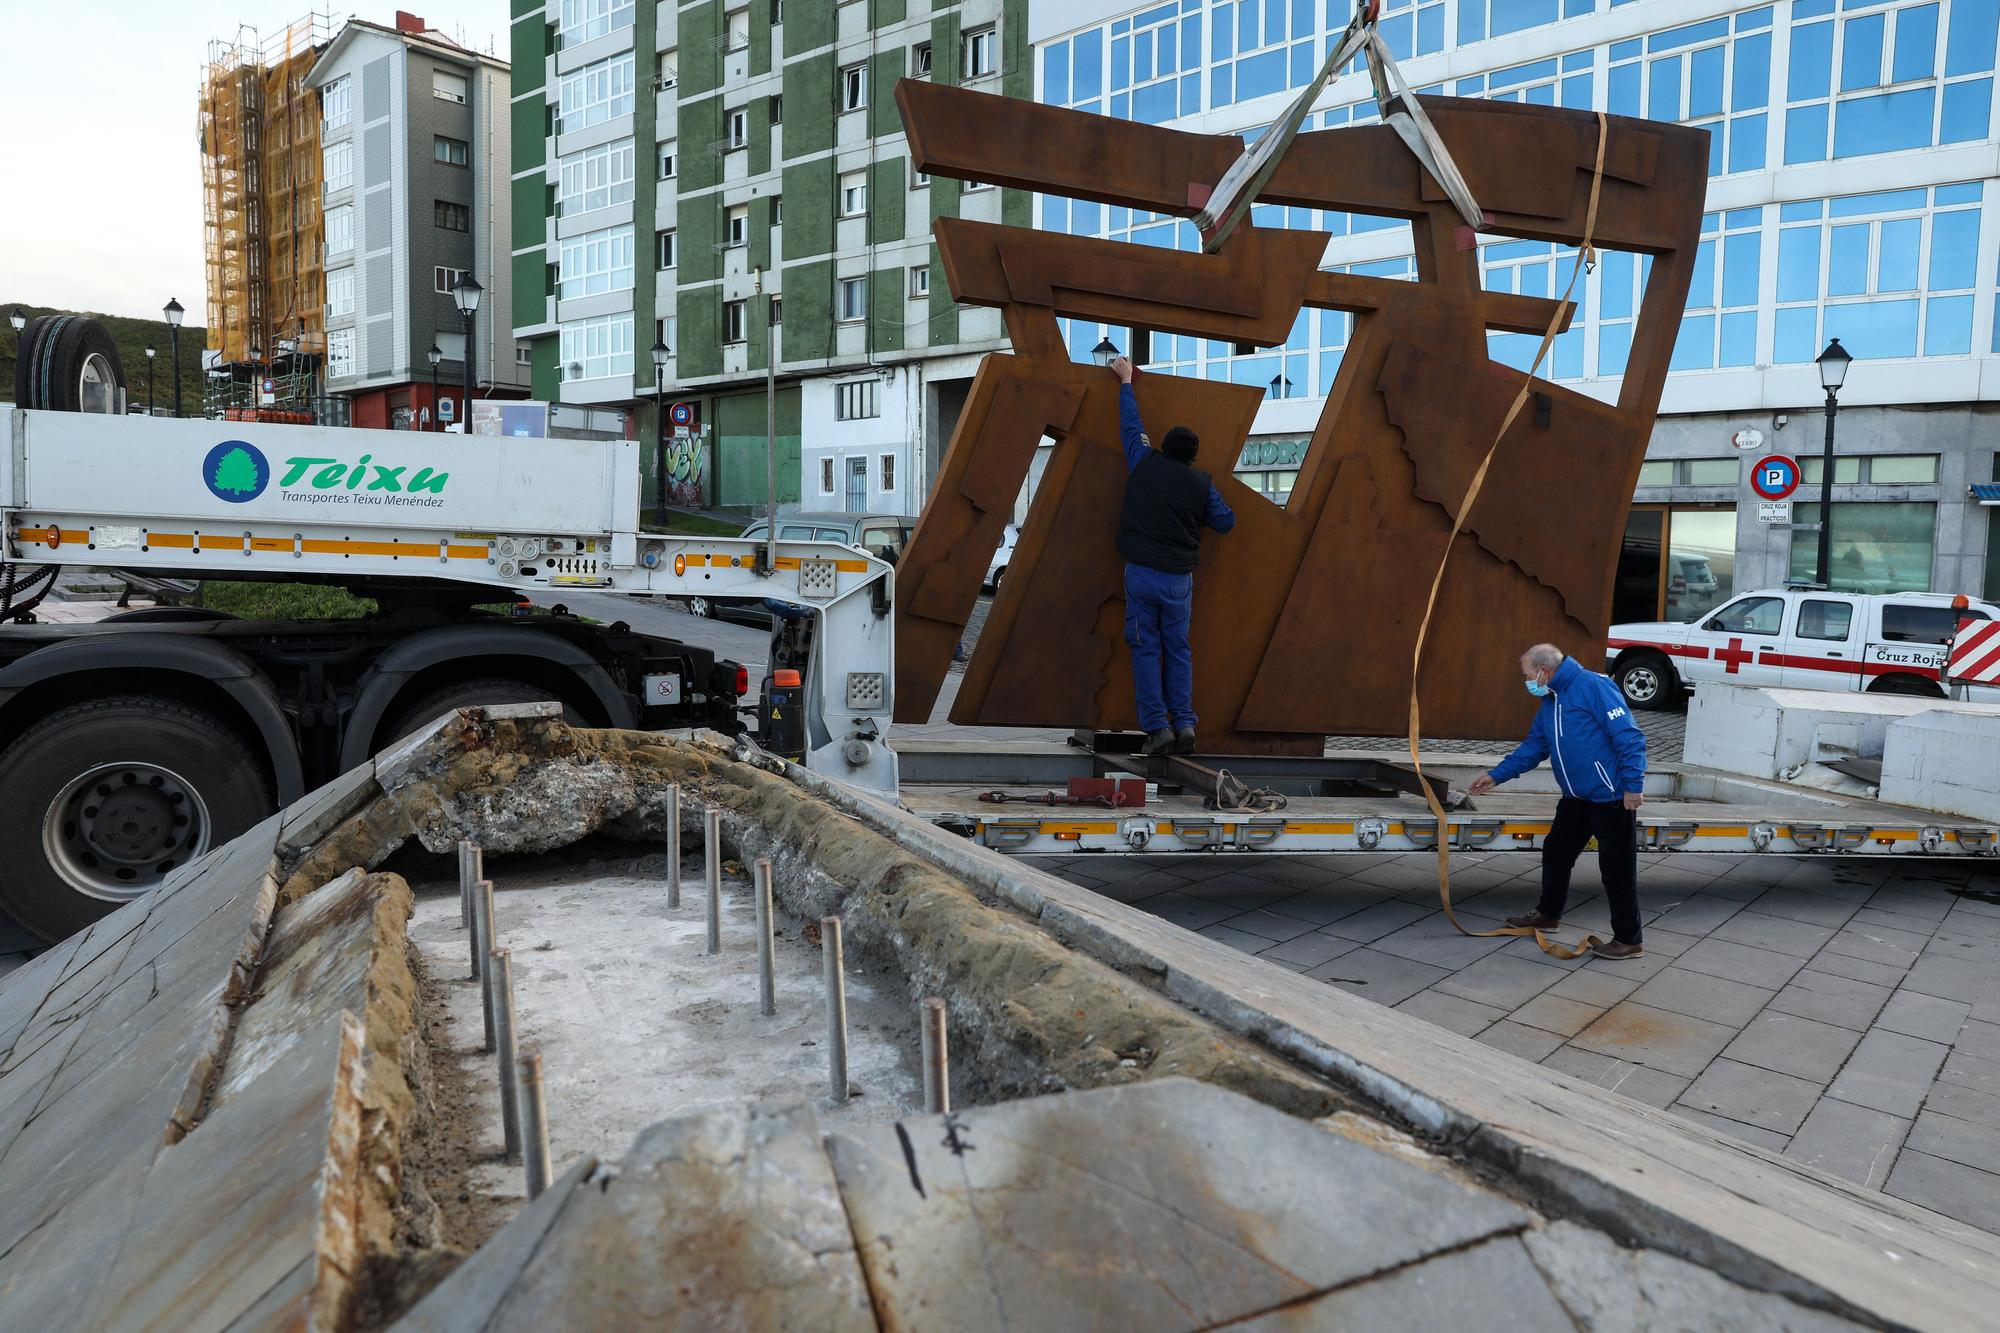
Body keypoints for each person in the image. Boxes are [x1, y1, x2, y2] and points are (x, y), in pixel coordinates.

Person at [1466, 643, 1648, 959]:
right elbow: (1534, 747)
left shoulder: (1594, 686)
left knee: (1617, 869)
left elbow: (1629, 736)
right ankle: (1548, 915)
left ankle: (1629, 939)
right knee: (1556, 853)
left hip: (1611, 798)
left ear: (1544, 671)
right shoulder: (1552, 700)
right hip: (1576, 798)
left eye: (1527, 675)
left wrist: (1633, 785)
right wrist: (1497, 775)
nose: (1527, 681)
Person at [1110, 355, 1235, 756]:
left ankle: (1157, 729)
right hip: (1178, 580)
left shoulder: (1143, 463)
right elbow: (1226, 522)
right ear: (1193, 456)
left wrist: (1126, 381)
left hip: (1141, 574)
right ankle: (1185, 725)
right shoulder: (1201, 484)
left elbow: (1131, 426)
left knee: (1146, 648)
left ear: (1163, 447)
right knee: (1178, 649)